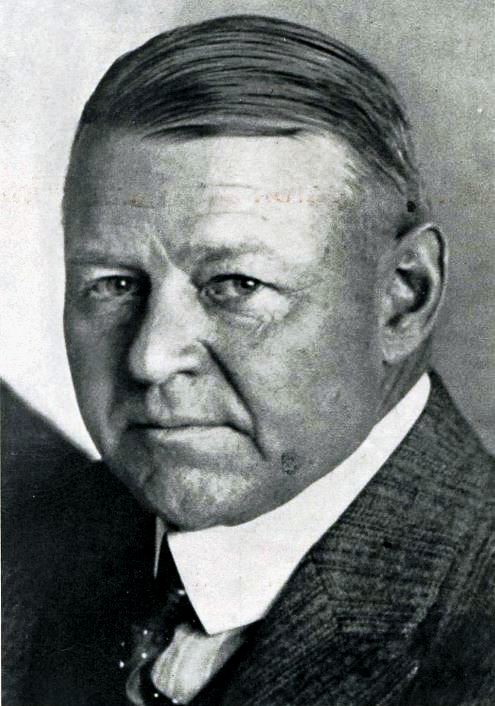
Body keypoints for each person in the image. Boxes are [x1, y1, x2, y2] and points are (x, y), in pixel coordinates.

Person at [3, 14, 494, 706]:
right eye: (114, 285)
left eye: (234, 284)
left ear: (402, 298)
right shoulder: (26, 539)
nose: (150, 358)